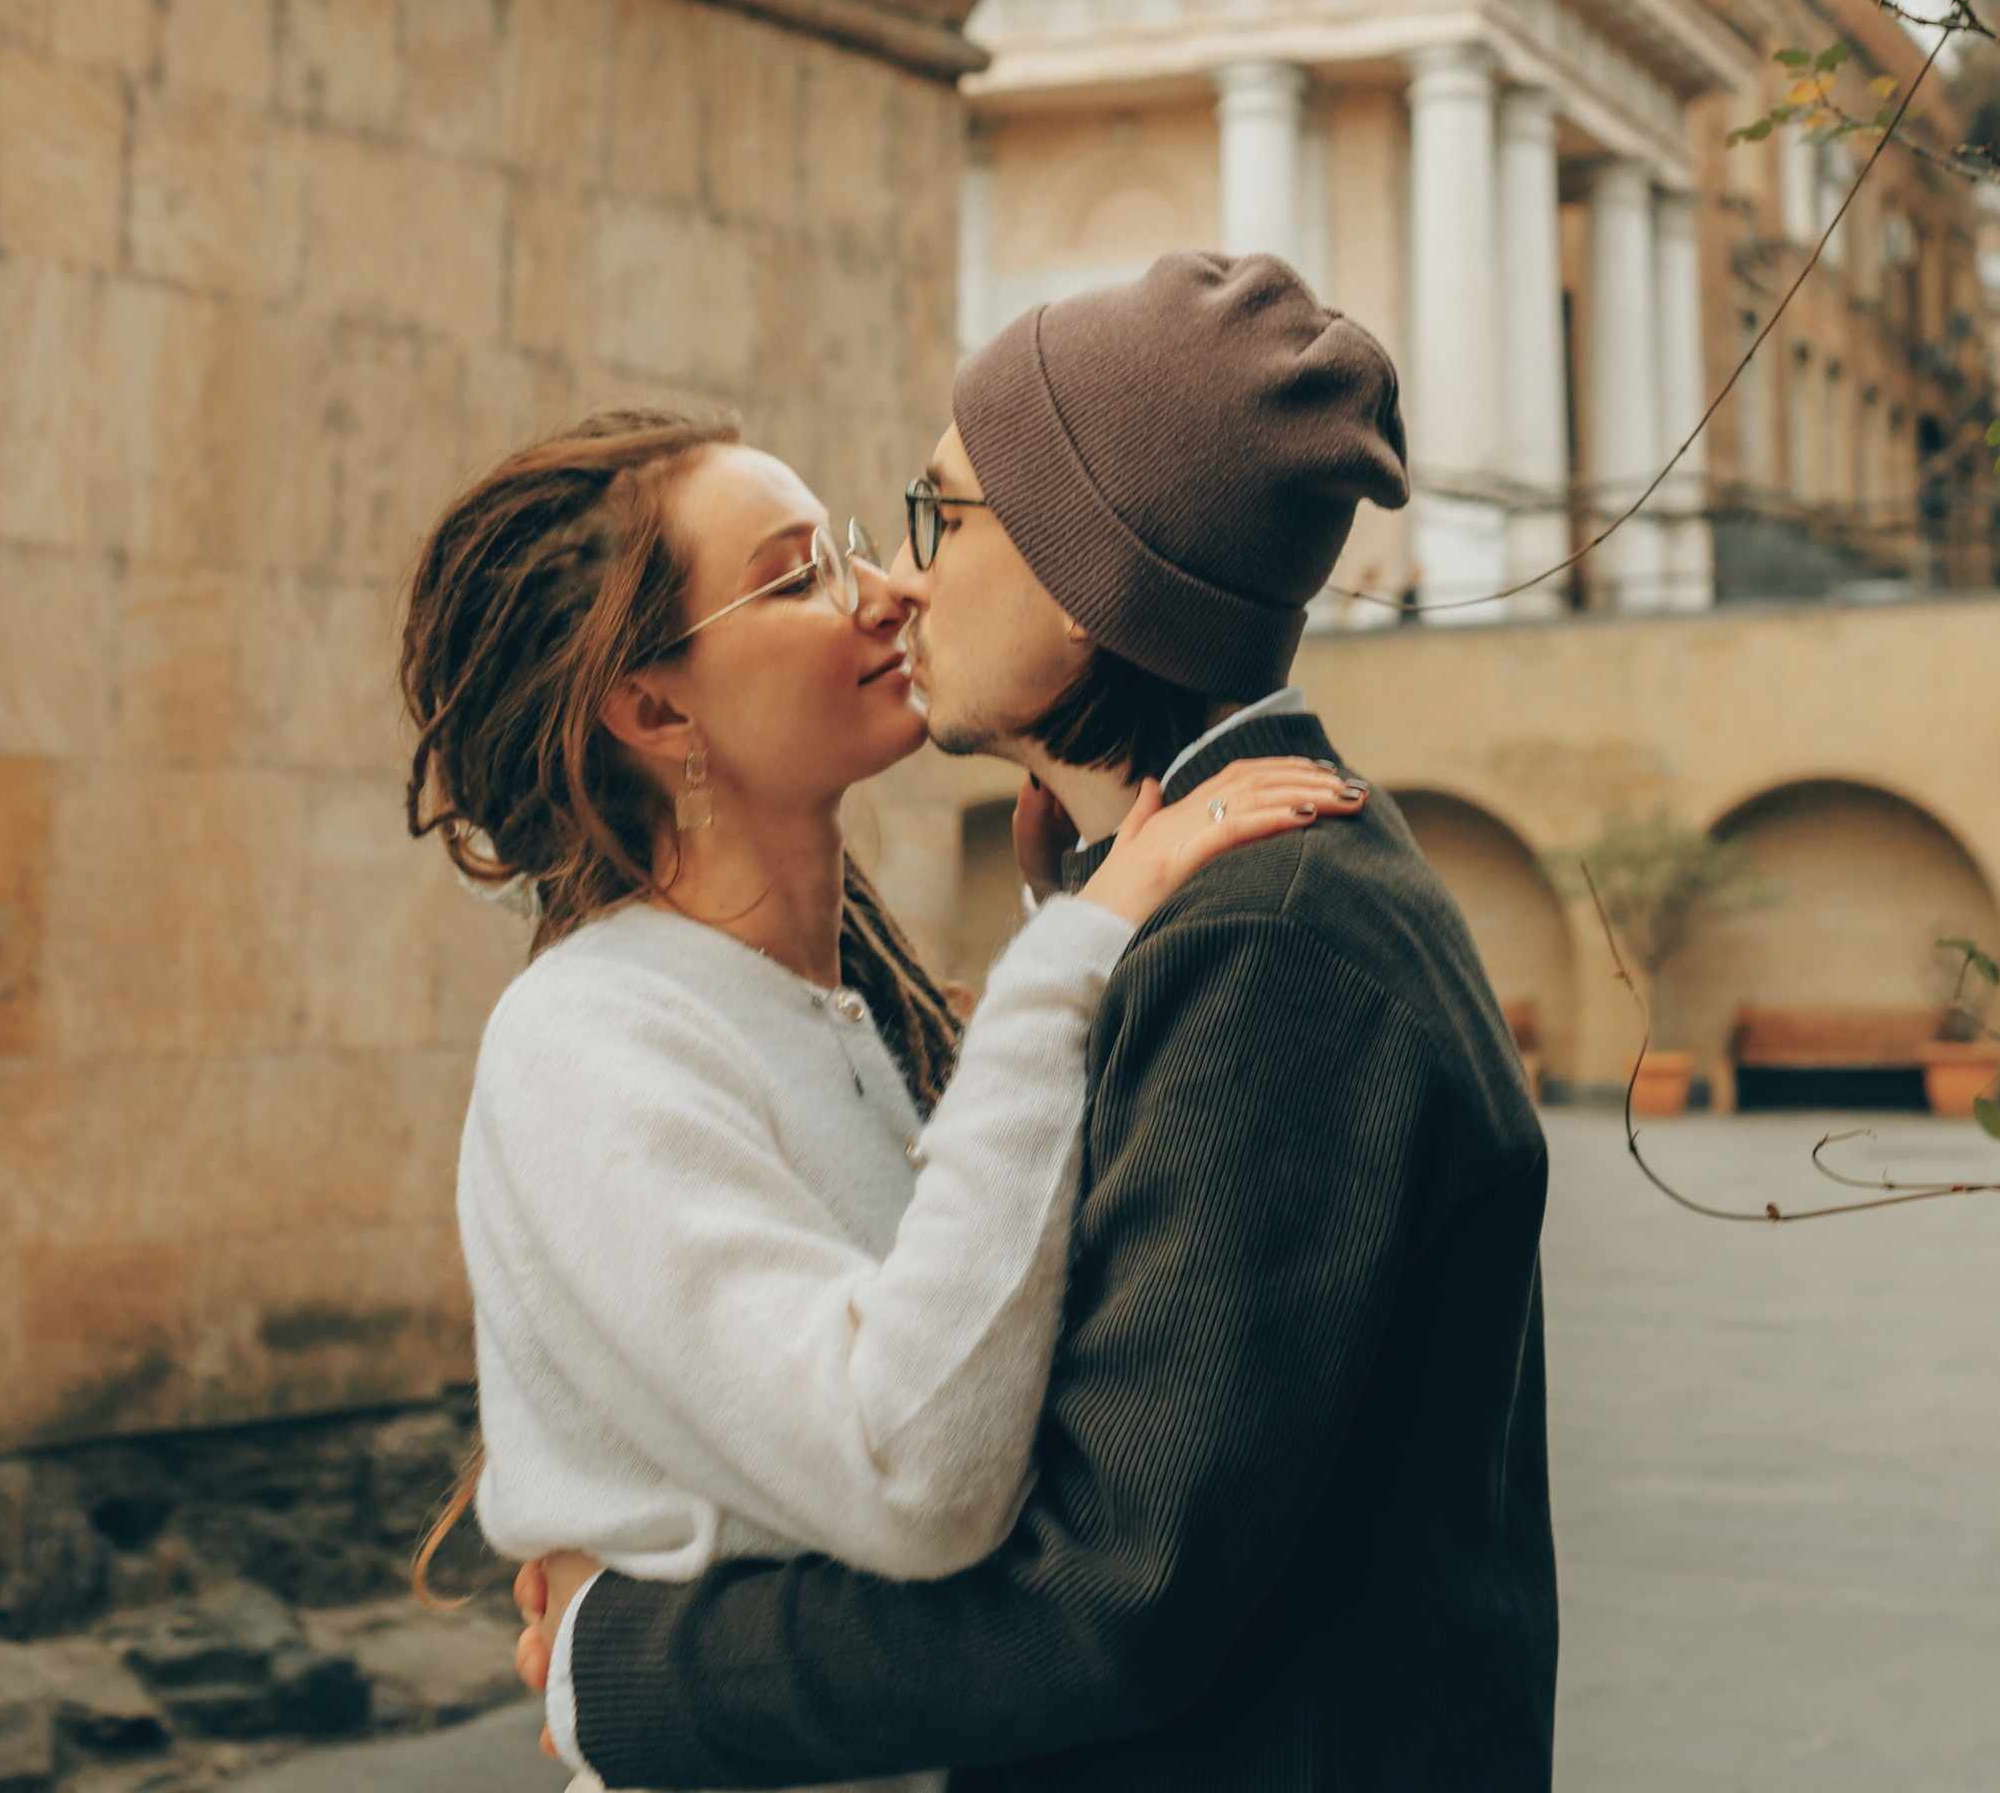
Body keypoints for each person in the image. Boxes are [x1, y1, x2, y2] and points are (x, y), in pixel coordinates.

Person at [524, 253, 1560, 1793]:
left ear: (1090, 587)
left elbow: (1104, 1593)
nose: (903, 576)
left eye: (943, 514)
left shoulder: (1271, 945)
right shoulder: (1201, 908)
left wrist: (627, 1667)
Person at [402, 407, 1359, 1793]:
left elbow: (1031, 1360)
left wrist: (1080, 911)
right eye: (796, 577)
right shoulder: (587, 1040)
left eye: (848, 548)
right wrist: (1076, 953)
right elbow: (911, 1472)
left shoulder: (855, 1002)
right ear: (655, 709)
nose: (886, 591)